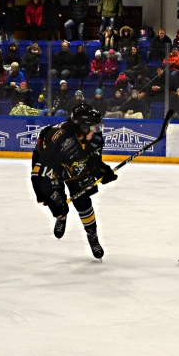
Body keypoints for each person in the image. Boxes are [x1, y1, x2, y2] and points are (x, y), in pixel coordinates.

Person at [30, 103, 118, 260]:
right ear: (82, 127)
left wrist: (103, 172)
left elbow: (93, 161)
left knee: (82, 201)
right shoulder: (57, 140)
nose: (97, 131)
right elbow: (41, 175)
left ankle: (93, 237)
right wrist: (54, 199)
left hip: (73, 163)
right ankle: (61, 215)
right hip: (49, 166)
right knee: (56, 199)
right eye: (93, 127)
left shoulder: (95, 139)